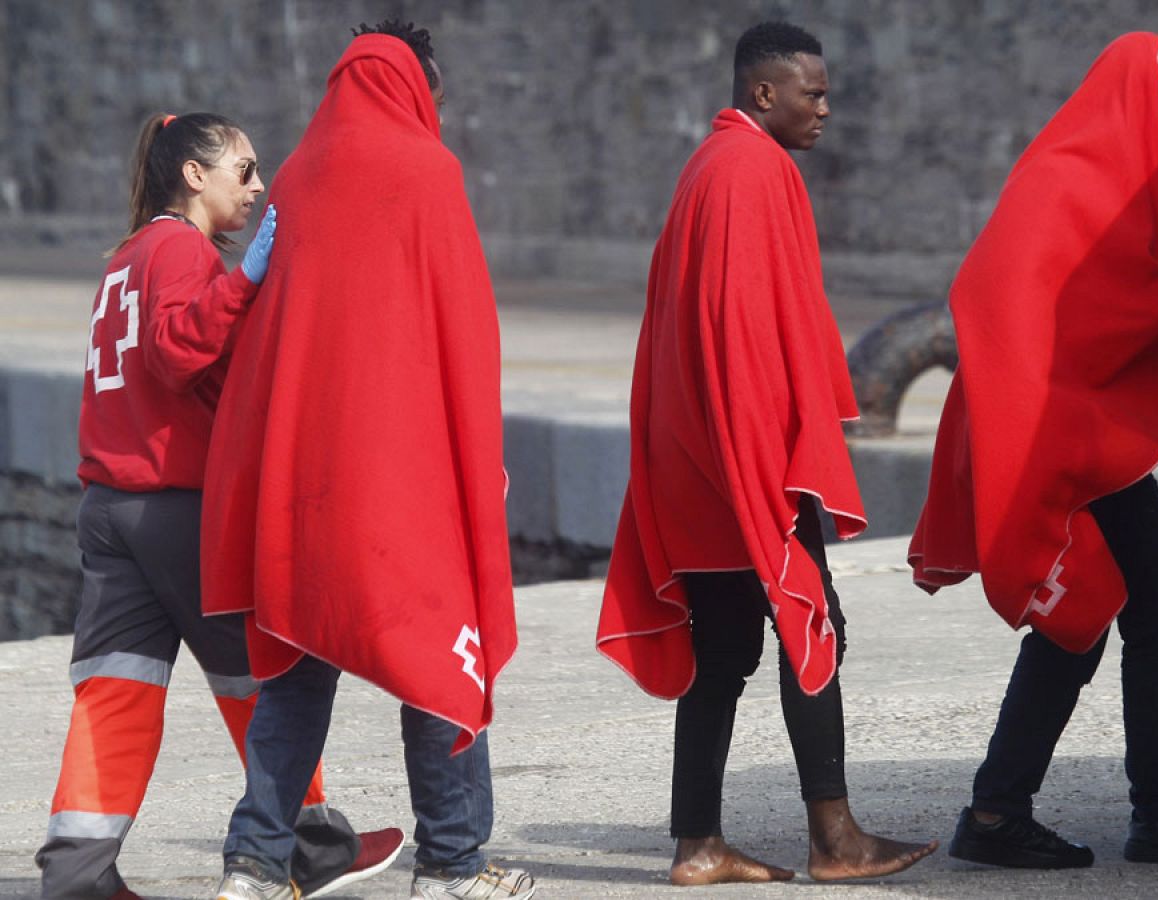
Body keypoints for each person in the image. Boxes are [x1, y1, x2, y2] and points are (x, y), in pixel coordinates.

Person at [595, 21, 939, 887]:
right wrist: (771, 471)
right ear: (764, 94)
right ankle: (836, 840)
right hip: (739, 458)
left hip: (696, 454)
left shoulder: (714, 166)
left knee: (724, 651)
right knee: (811, 623)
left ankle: (699, 846)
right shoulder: (754, 171)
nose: (825, 108)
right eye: (812, 93)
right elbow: (742, 340)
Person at [199, 22, 532, 900]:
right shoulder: (428, 174)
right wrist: (475, 462)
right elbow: (465, 332)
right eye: (438, 99)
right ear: (413, 90)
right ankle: (453, 865)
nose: (440, 115)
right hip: (403, 483)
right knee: (435, 660)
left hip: (306, 484)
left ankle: (256, 865)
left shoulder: (299, 180)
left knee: (299, 673)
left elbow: (271, 343)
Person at [908, 33, 1158, 870]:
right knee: (1127, 616)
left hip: (1086, 436)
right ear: (1130, 105)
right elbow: (999, 299)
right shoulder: (1063, 182)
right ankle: (1076, 815)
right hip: (1054, 436)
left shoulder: (1125, 189)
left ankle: (1028, 810)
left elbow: (1131, 291)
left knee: (1125, 616)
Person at [35, 113, 402, 899]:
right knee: (265, 674)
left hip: (109, 505)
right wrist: (245, 285)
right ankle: (308, 842)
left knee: (115, 690)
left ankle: (75, 871)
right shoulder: (177, 249)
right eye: (244, 167)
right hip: (177, 504)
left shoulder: (126, 257)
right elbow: (174, 353)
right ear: (194, 175)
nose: (259, 184)